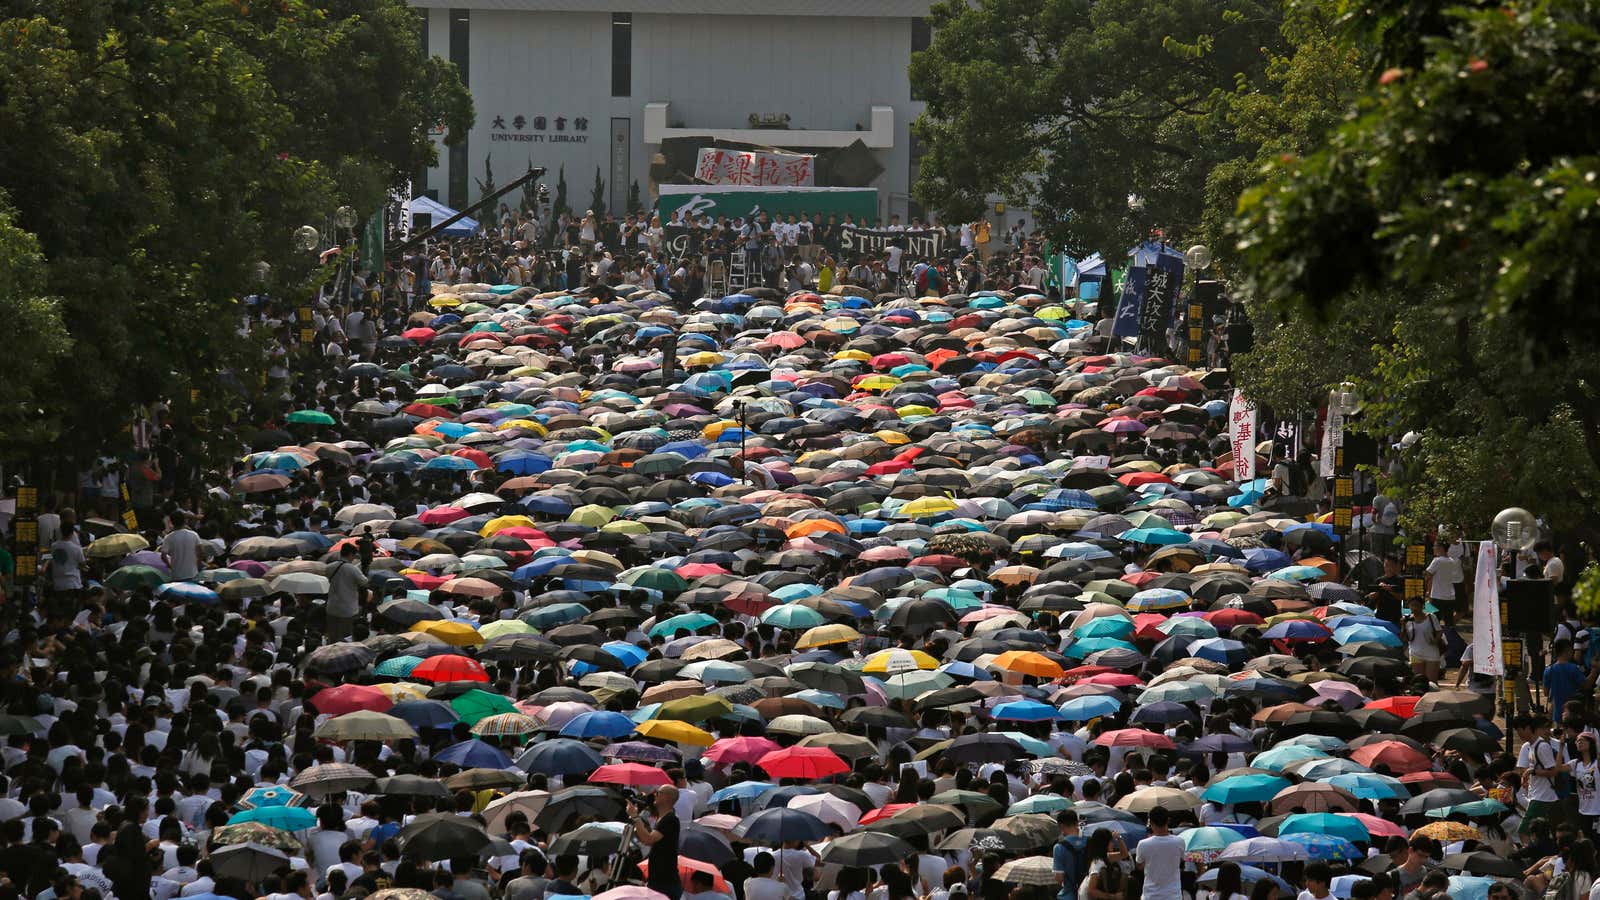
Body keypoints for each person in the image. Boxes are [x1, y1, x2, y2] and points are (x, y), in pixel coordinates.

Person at [632, 786, 682, 900]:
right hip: (659, 879)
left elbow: (648, 839)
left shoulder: (670, 819)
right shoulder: (662, 818)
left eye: (658, 793)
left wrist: (635, 816)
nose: (655, 794)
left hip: (665, 881)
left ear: (667, 797)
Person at [1134, 806, 1183, 900]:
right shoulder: (1179, 841)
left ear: (1151, 823)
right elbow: (1179, 860)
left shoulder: (1143, 844)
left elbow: (1139, 865)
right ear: (1168, 820)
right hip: (1173, 895)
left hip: (1151, 895)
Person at [325, 542, 368, 641]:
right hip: (348, 609)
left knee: (333, 636)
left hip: (332, 606)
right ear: (350, 554)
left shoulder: (329, 567)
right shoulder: (353, 569)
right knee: (346, 637)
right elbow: (364, 582)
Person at [1402, 596, 1446, 682]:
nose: (1414, 608)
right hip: (1415, 653)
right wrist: (1403, 625)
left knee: (1431, 682)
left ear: (1422, 606)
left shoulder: (1431, 617)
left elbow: (1439, 631)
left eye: (1417, 605)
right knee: (1419, 681)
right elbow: (1405, 639)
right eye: (1412, 605)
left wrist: (1435, 640)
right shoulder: (1407, 619)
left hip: (1432, 652)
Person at [160, 510, 203, 582]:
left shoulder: (168, 537)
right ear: (185, 521)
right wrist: (197, 566)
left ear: (172, 522)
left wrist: (170, 565)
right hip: (192, 573)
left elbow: (163, 555)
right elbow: (201, 552)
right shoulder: (194, 535)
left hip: (177, 575)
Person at [1052, 810, 1086, 900]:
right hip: (1088, 894)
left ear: (1061, 826)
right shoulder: (1089, 841)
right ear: (1077, 823)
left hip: (1068, 895)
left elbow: (1059, 878)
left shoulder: (1059, 847)